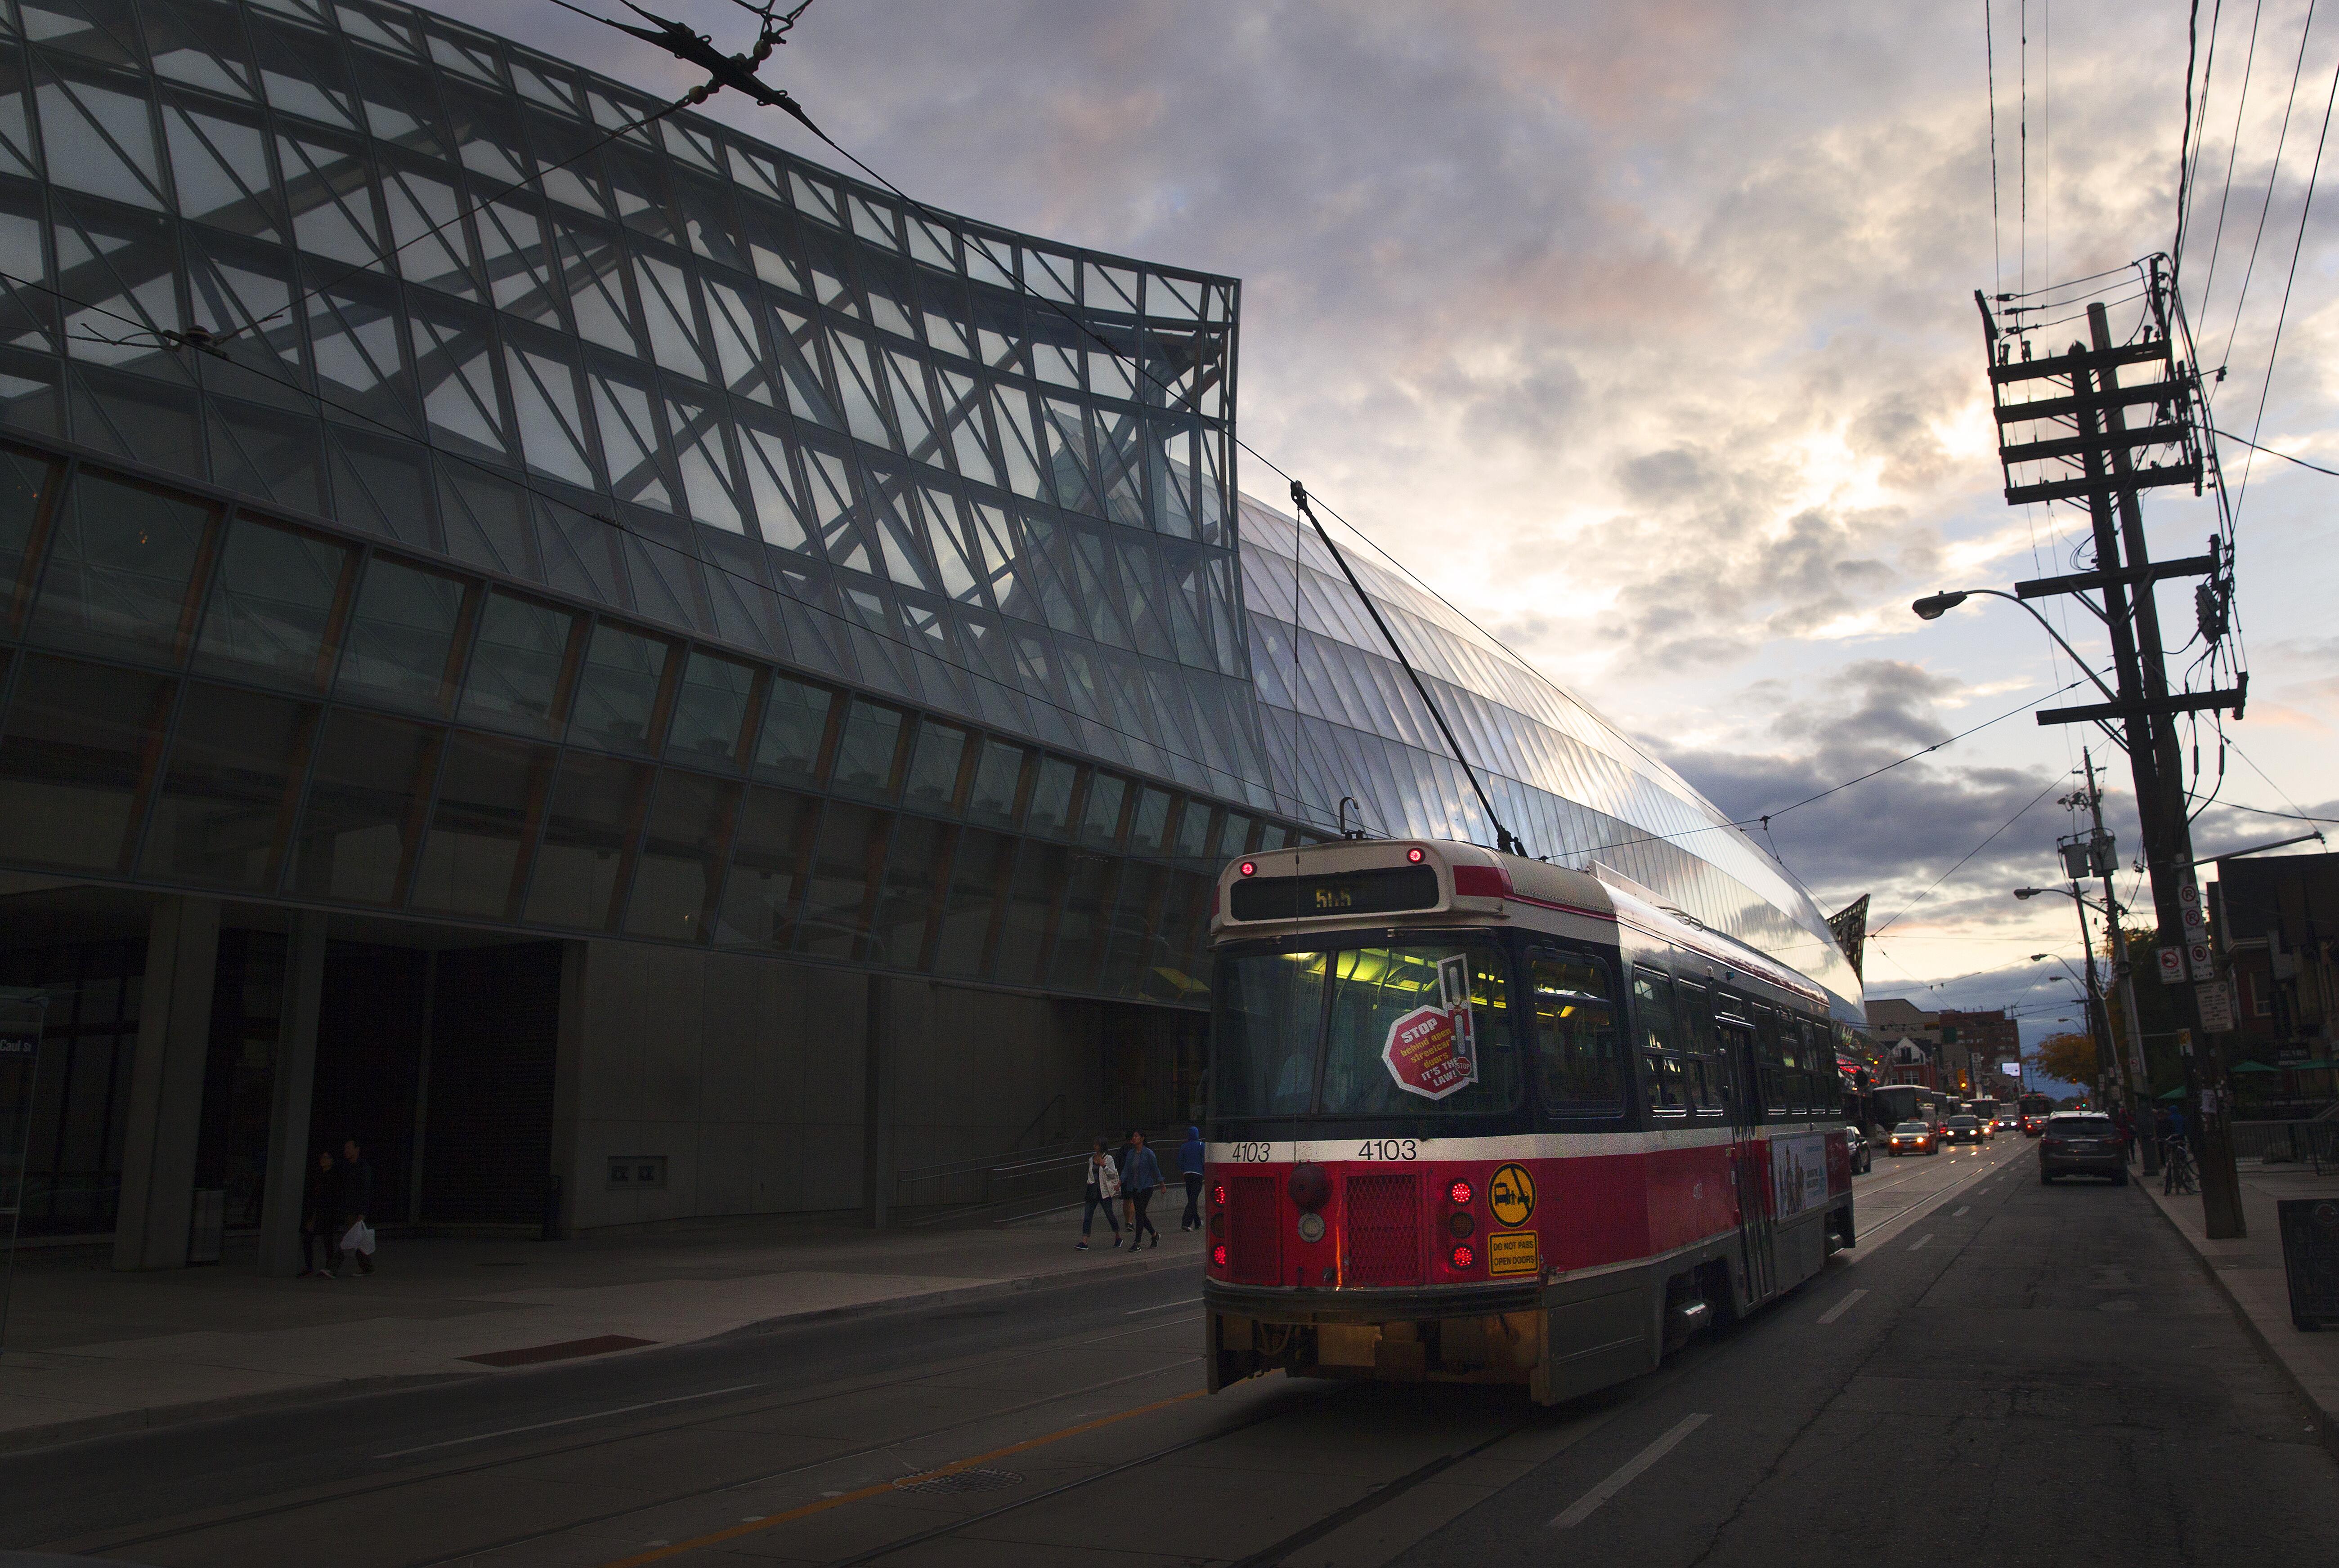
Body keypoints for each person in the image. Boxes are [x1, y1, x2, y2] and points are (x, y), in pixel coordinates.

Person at [332, 1137, 375, 1278]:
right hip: (348, 1208)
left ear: (357, 1150)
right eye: (346, 1149)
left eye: (349, 1148)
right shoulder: (347, 1168)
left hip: (355, 1210)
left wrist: (362, 1211)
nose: (347, 1151)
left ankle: (332, 1268)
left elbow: (365, 1191)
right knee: (355, 1239)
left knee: (348, 1239)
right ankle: (367, 1267)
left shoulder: (363, 1168)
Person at [298, 1148, 337, 1278]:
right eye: (322, 1157)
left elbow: (327, 1198)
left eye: (327, 1158)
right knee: (309, 1239)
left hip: (327, 1213)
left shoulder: (333, 1177)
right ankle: (311, 1267)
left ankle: (329, 1267)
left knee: (327, 1241)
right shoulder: (318, 1176)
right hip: (319, 1212)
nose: (323, 1160)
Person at [1121, 1130, 1163, 1251]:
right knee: (1142, 1215)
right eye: (1133, 1136)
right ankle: (1154, 1235)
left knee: (1139, 1215)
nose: (1134, 1139)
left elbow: (1156, 1169)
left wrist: (1162, 1184)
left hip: (1146, 1188)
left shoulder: (1149, 1154)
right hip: (1134, 1188)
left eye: (1136, 1136)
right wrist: (1120, 1181)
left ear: (1142, 1138)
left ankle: (1137, 1243)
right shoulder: (1131, 1154)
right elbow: (1126, 1169)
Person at [1077, 1138, 1121, 1250]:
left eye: (1097, 1145)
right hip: (1093, 1190)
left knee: (1109, 1214)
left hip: (1104, 1191)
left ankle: (1118, 1236)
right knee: (1088, 1215)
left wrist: (1104, 1166)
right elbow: (1091, 1174)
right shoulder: (1091, 1159)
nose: (1094, 1146)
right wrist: (1090, 1182)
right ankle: (1085, 1241)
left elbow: (1113, 1174)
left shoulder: (1109, 1159)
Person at [1177, 1125, 1205, 1231]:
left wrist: (1184, 1169)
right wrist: (1203, 1170)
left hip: (1187, 1174)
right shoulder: (1201, 1145)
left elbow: (1179, 1162)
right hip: (1198, 1174)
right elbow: (1205, 1159)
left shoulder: (1184, 1146)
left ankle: (1197, 1222)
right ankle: (1186, 1222)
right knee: (1193, 1199)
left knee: (1191, 1198)